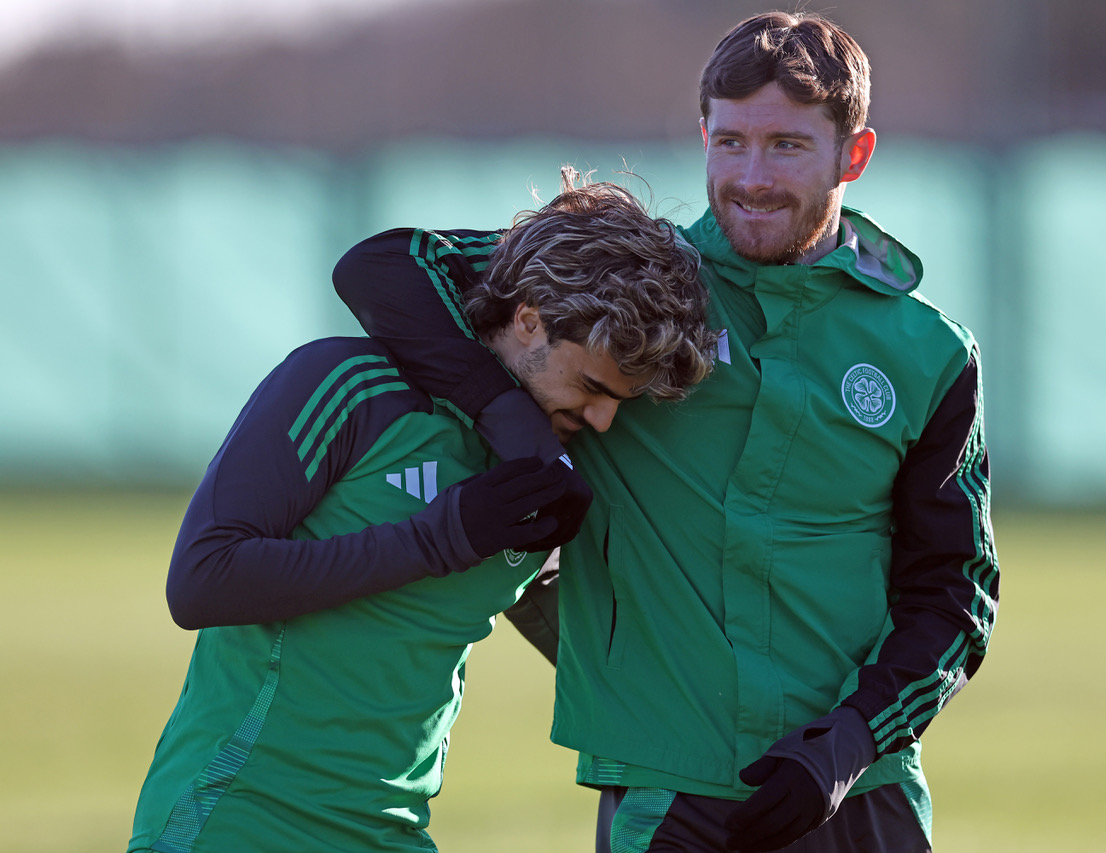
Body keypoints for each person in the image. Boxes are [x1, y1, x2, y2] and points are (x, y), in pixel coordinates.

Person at [333, 11, 999, 853]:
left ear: (853, 155)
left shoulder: (931, 354)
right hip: (668, 802)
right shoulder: (635, 290)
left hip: (858, 797)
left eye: (787, 146)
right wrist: (519, 432)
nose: (751, 176)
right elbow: (387, 265)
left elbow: (954, 593)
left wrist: (852, 743)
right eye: (731, 143)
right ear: (703, 137)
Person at [126, 176, 718, 853]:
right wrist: (442, 537)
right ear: (528, 319)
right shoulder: (349, 386)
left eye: (623, 399)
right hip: (239, 816)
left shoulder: (544, 471)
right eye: (591, 387)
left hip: (393, 832)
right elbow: (204, 579)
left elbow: (565, 631)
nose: (604, 419)